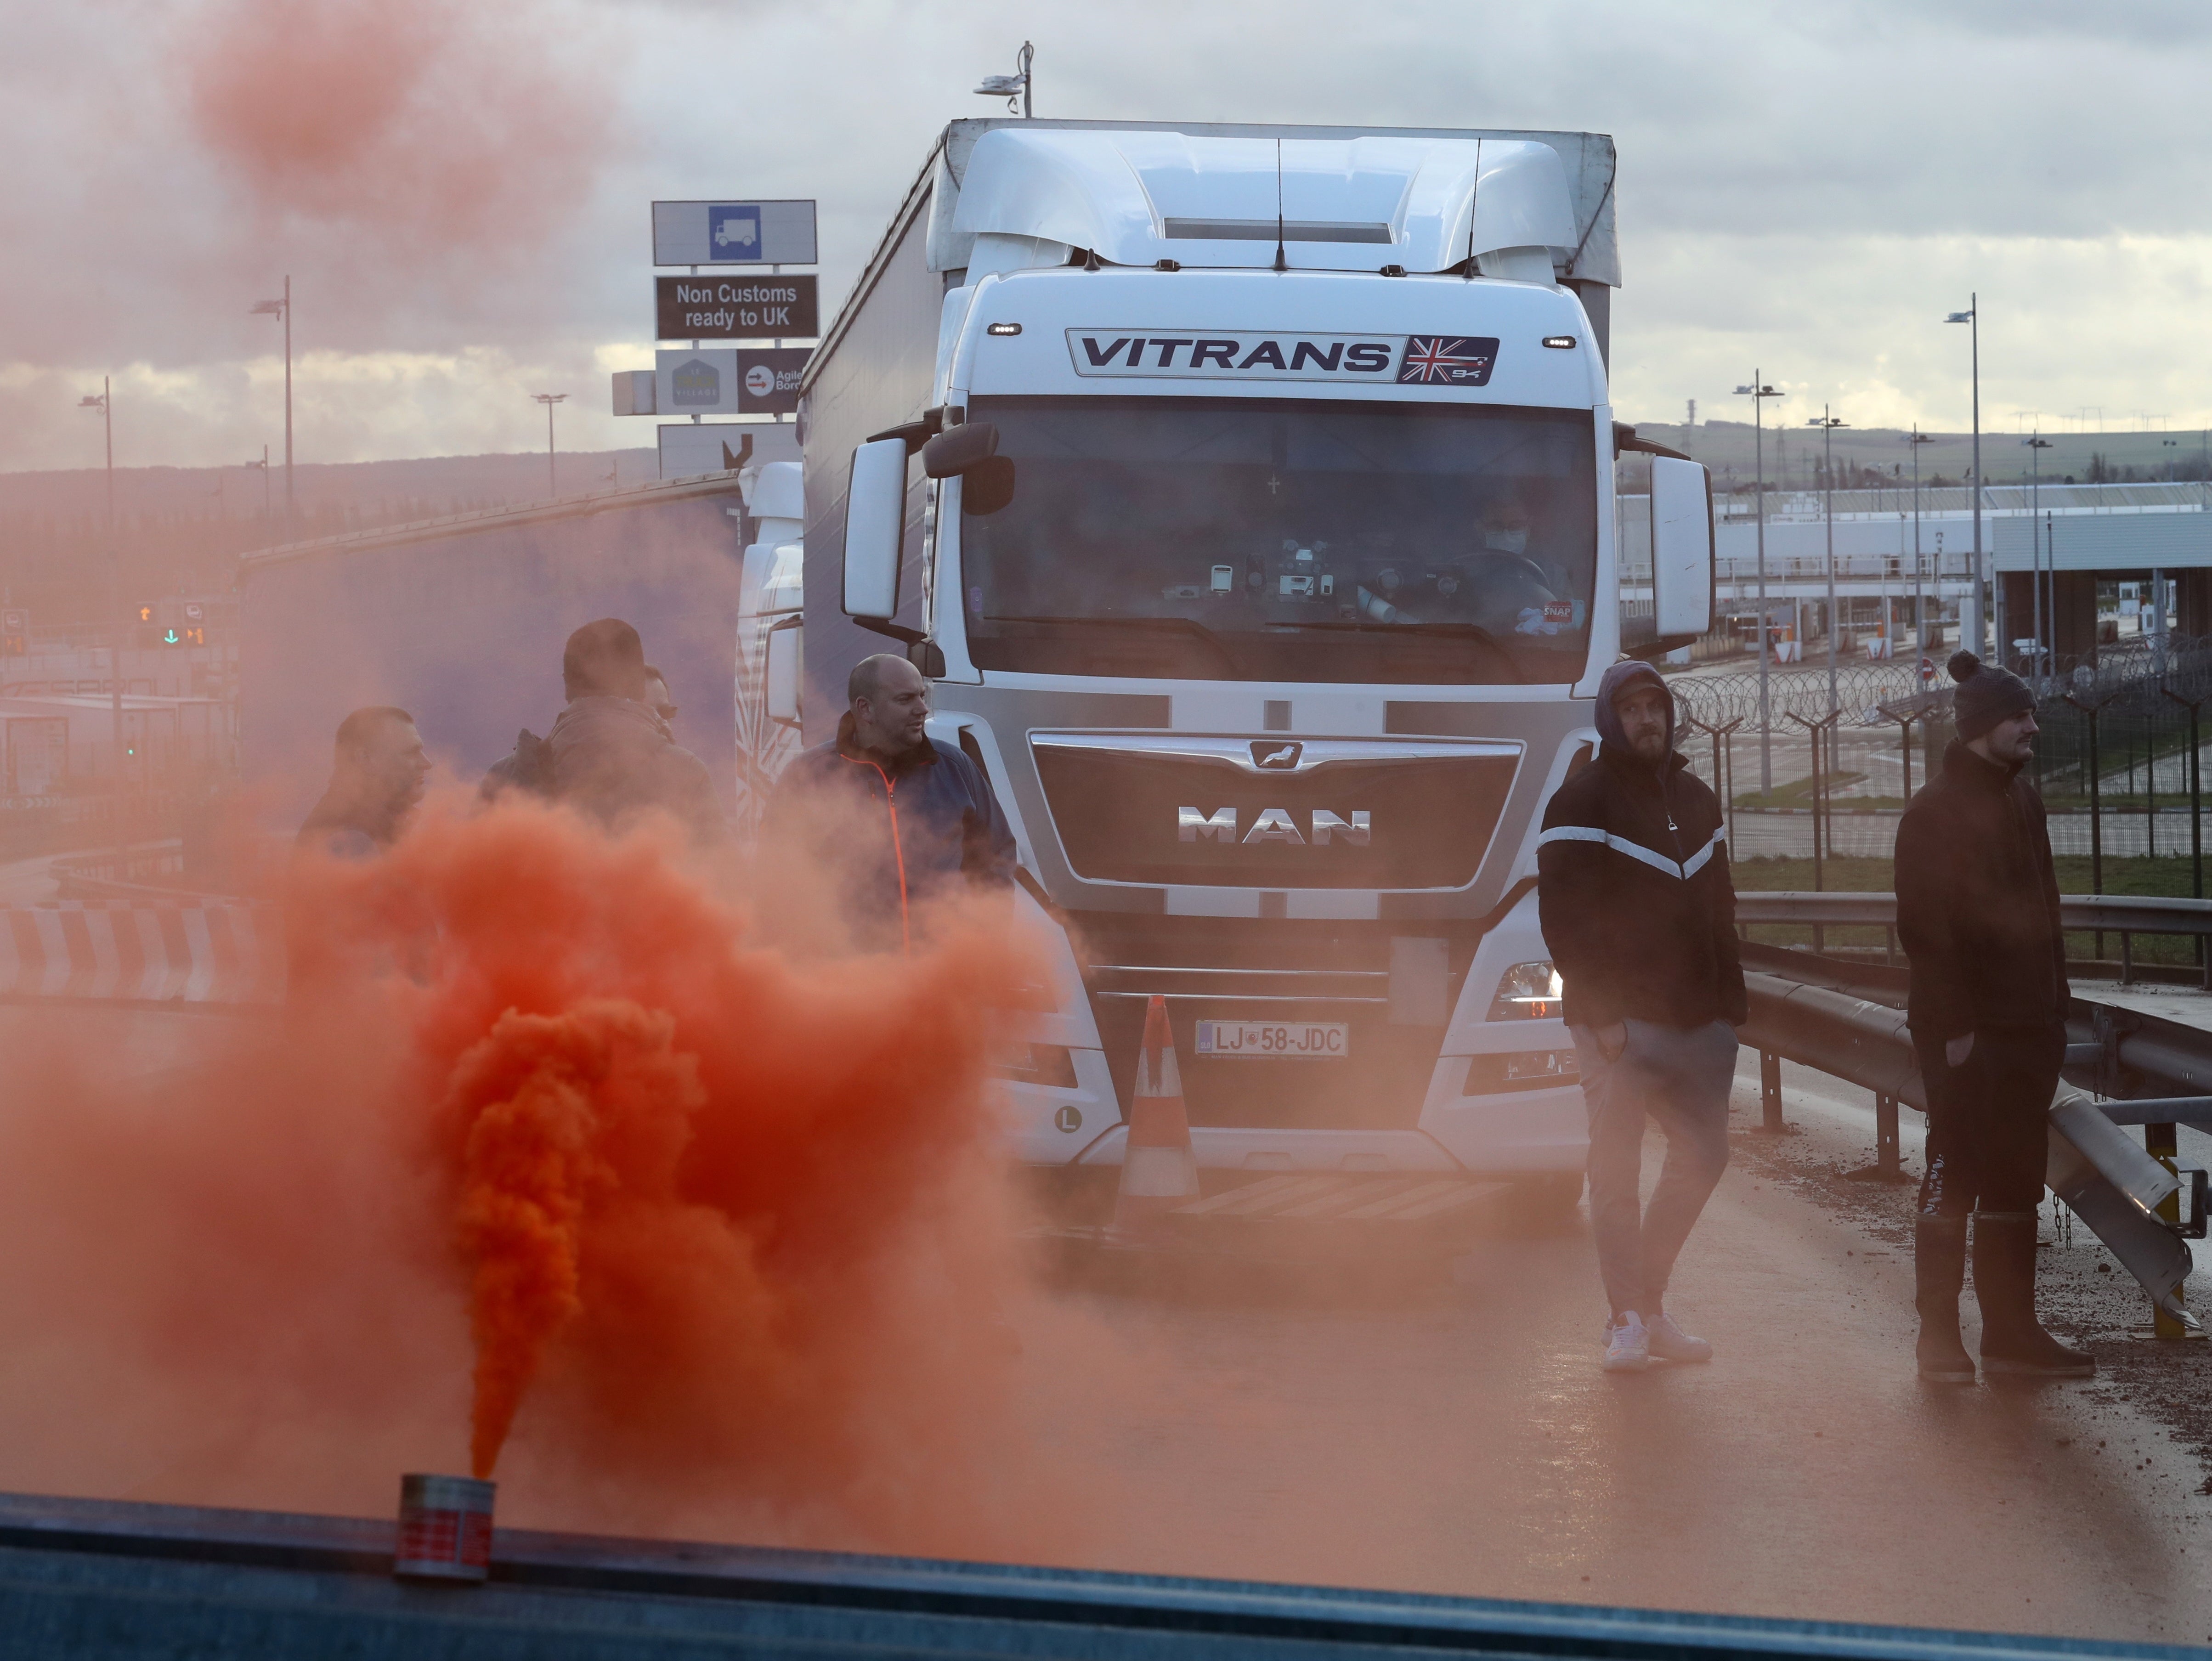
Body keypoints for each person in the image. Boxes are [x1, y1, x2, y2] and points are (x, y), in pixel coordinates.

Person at [1538, 659, 1745, 1373]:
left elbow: (1722, 908)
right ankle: (1626, 1319)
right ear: (1609, 720)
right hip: (1618, 1024)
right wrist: (1598, 1014)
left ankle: (1648, 1305)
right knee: (1615, 1173)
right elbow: (1562, 920)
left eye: (1654, 706)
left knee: (1704, 1157)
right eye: (1629, 709)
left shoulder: (1696, 798)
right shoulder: (1580, 800)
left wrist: (1730, 1012)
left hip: (1698, 1024)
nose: (1645, 719)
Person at [1894, 652, 2093, 1382]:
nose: (2032, 727)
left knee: (2015, 1182)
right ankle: (1936, 1340)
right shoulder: (1932, 812)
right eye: (2020, 716)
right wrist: (1953, 1030)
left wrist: (2054, 1007)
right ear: (1983, 726)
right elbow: (1924, 930)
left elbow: (2045, 913)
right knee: (1954, 1173)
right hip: (1963, 1036)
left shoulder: (2022, 799)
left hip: (2026, 1031)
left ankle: (2010, 1337)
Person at [765, 652, 1013, 951]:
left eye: (922, 696)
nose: (922, 709)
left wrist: (984, 937)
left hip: (944, 976)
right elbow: (776, 879)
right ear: (865, 709)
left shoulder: (954, 766)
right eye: (905, 699)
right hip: (846, 981)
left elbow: (995, 857)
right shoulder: (808, 776)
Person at [482, 621, 726, 846]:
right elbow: (723, 880)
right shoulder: (686, 773)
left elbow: (474, 883)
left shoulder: (505, 777)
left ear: (567, 684)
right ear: (639, 685)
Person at [296, 706, 429, 859]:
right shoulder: (350, 840)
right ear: (366, 760)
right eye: (410, 753)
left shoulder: (370, 825)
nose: (427, 763)